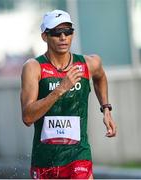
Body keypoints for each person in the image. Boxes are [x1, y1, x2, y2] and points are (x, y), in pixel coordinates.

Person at [20, 9, 117, 179]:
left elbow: (100, 77)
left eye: (68, 31)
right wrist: (60, 89)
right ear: (45, 36)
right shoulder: (34, 67)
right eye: (57, 32)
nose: (63, 37)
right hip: (45, 160)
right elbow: (27, 117)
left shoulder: (88, 63)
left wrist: (106, 108)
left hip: (78, 156)